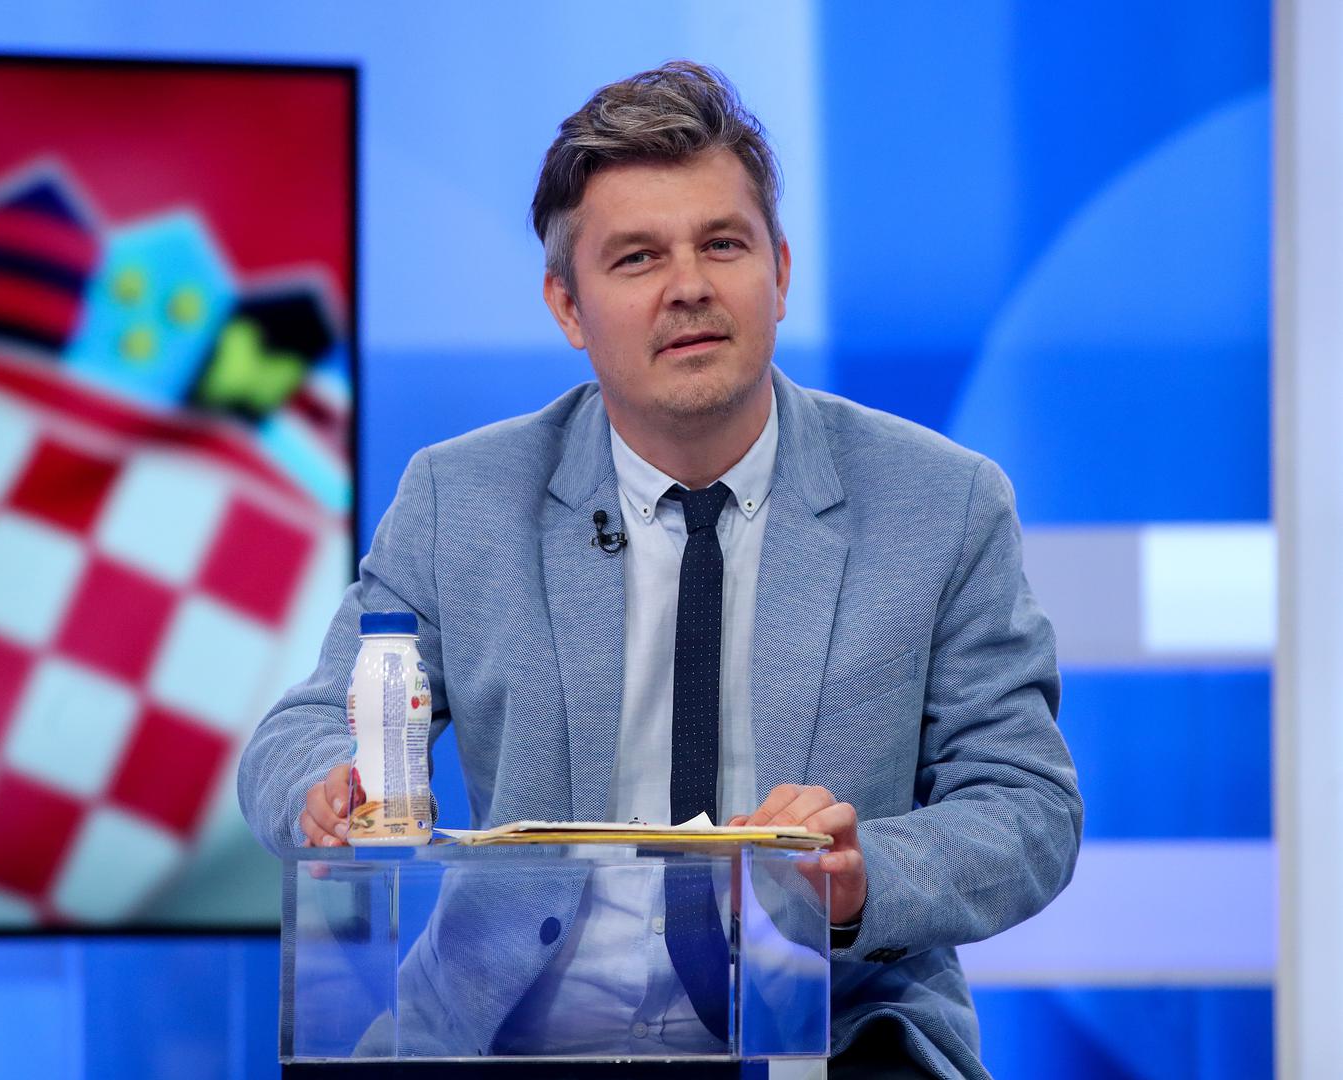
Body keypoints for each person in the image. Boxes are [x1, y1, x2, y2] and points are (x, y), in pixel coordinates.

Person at [240, 61, 1081, 1078]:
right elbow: (300, 731)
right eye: (637, 258)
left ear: (779, 271)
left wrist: (863, 878)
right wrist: (324, 793)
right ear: (567, 306)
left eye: (722, 244)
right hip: (509, 1043)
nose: (688, 286)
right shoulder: (461, 500)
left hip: (829, 1038)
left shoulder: (939, 503)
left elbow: (1025, 807)